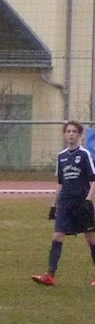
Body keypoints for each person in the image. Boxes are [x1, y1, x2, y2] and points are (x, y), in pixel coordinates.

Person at [31, 120, 95, 287]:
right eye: (68, 131)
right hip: (65, 203)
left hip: (81, 203)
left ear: (80, 134)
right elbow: (60, 183)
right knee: (57, 235)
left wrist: (88, 200)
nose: (71, 134)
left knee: (90, 238)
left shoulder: (84, 155)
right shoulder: (62, 156)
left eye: (74, 131)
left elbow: (93, 181)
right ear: (64, 134)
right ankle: (50, 275)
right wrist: (54, 205)